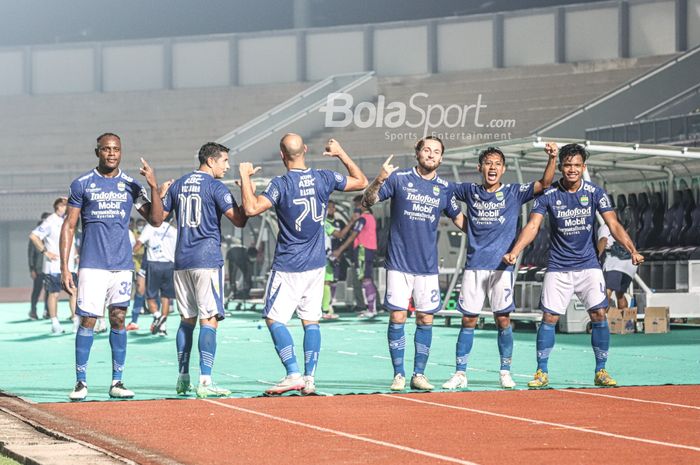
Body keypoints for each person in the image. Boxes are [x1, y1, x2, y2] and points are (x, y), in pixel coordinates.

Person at [503, 143, 644, 388]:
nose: (572, 169)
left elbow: (613, 225)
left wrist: (632, 249)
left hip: (588, 266)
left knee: (599, 314)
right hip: (558, 267)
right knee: (549, 318)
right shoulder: (548, 195)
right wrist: (515, 251)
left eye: (577, 165)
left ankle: (601, 370)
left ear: (583, 167)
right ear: (561, 167)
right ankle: (541, 372)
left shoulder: (595, 192)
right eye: (567, 165)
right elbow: (533, 226)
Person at [239, 135, 367, 396]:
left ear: (281, 154)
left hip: (289, 264)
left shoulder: (281, 184)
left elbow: (251, 209)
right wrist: (341, 153)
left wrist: (245, 176)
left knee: (274, 319)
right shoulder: (324, 177)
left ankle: (293, 373)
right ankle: (309, 378)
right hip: (316, 263)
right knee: (311, 321)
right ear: (305, 150)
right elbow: (362, 182)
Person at [442, 144, 558, 390]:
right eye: (488, 163)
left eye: (497, 164)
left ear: (503, 169)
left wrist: (552, 158)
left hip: (502, 268)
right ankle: (460, 373)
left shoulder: (514, 192)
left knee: (503, 320)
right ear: (480, 167)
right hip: (474, 266)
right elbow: (442, 190)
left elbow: (544, 183)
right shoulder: (469, 190)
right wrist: (460, 220)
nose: (492, 167)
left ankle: (505, 371)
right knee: (468, 320)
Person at [60, 132, 164, 401]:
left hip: (121, 265)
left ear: (121, 152)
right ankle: (80, 382)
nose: (111, 153)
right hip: (92, 265)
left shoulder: (130, 185)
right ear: (97, 152)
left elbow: (155, 220)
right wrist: (64, 267)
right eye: (106, 149)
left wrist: (153, 185)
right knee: (89, 320)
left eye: (116, 149)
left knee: (118, 318)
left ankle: (117, 381)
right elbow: (69, 226)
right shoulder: (82, 184)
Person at [362, 136, 465, 391]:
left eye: (436, 152)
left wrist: (489, 238)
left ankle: (419, 374)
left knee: (425, 320)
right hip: (398, 263)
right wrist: (380, 178)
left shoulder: (444, 188)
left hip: (427, 267)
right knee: (398, 316)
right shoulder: (398, 179)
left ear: (441, 158)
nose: (431, 155)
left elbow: (461, 220)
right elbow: (368, 201)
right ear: (417, 153)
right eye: (427, 150)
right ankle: (399, 374)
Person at [162, 142, 248, 398]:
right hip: (206, 260)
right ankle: (206, 381)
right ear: (211, 161)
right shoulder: (214, 186)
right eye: (224, 161)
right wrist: (246, 191)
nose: (227, 166)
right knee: (209, 319)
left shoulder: (178, 184)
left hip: (181, 261)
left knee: (186, 320)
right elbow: (239, 219)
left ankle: (182, 377)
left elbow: (160, 216)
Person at [30, 198, 80, 334]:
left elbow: (71, 239)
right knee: (54, 294)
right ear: (58, 206)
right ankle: (55, 323)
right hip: (54, 266)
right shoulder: (50, 221)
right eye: (65, 205)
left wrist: (75, 255)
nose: (67, 207)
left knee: (73, 292)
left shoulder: (69, 219)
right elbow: (34, 236)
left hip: (70, 266)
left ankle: (76, 322)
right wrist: (45, 252)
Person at [332, 195, 379, 318]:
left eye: (357, 205)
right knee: (366, 278)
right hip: (368, 250)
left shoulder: (363, 219)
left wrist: (340, 250)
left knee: (366, 279)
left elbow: (352, 236)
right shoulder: (371, 218)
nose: (356, 208)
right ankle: (371, 307)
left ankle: (371, 308)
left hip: (363, 251)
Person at [132, 213, 177, 336]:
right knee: (166, 297)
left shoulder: (151, 227)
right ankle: (163, 326)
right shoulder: (174, 231)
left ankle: (157, 316)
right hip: (169, 265)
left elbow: (139, 244)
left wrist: (130, 253)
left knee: (150, 296)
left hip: (154, 265)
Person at [597, 209, 638, 310]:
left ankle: (602, 322)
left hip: (615, 263)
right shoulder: (624, 228)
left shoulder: (606, 227)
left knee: (606, 293)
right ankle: (624, 322)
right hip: (630, 265)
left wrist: (596, 257)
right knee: (620, 295)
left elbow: (603, 240)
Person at [28, 212, 50, 321]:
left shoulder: (51, 238)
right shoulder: (35, 239)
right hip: (39, 269)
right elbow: (30, 255)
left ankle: (47, 311)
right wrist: (32, 269)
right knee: (36, 291)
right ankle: (33, 310)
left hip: (49, 269)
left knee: (49, 291)